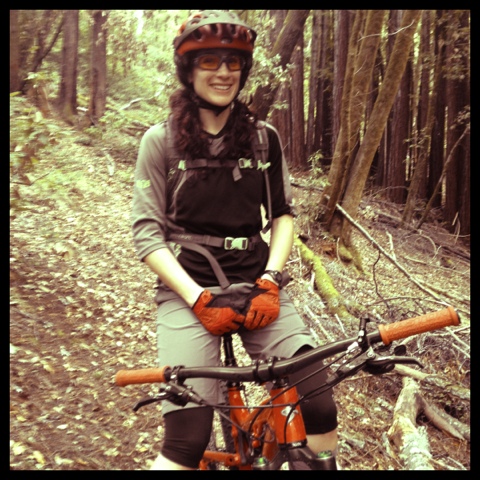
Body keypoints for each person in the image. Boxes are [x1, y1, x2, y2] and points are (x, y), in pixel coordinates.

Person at [131, 10, 338, 470]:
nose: (223, 72)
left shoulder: (264, 139)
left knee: (320, 405)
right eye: (209, 61)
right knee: (186, 440)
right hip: (188, 293)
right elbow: (147, 234)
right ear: (189, 70)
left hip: (257, 285)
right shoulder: (160, 142)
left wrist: (271, 279)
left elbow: (282, 216)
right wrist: (198, 298)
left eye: (233, 62)